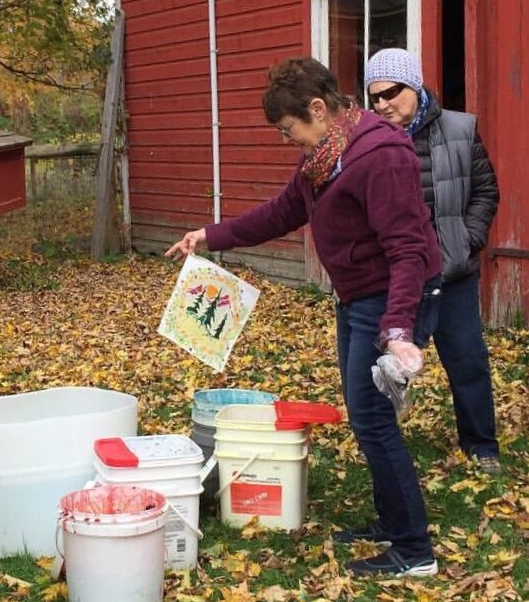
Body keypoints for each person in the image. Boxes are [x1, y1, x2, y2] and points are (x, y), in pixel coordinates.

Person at [166, 57, 443, 577]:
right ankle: (391, 521)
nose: (288, 139)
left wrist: (398, 329)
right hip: (357, 296)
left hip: (391, 298)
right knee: (368, 416)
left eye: (289, 129)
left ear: (318, 109)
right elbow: (279, 212)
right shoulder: (323, 159)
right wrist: (209, 236)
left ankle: (414, 550)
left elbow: (408, 250)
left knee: (372, 418)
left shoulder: (380, 156)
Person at [364, 48, 501, 474]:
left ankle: (481, 446)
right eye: (374, 96)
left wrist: (467, 240)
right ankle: (386, 451)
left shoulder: (460, 129)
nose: (383, 103)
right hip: (399, 280)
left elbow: (486, 191)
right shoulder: (370, 139)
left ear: (415, 85)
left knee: (468, 361)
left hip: (453, 275)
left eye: (391, 92)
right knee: (386, 367)